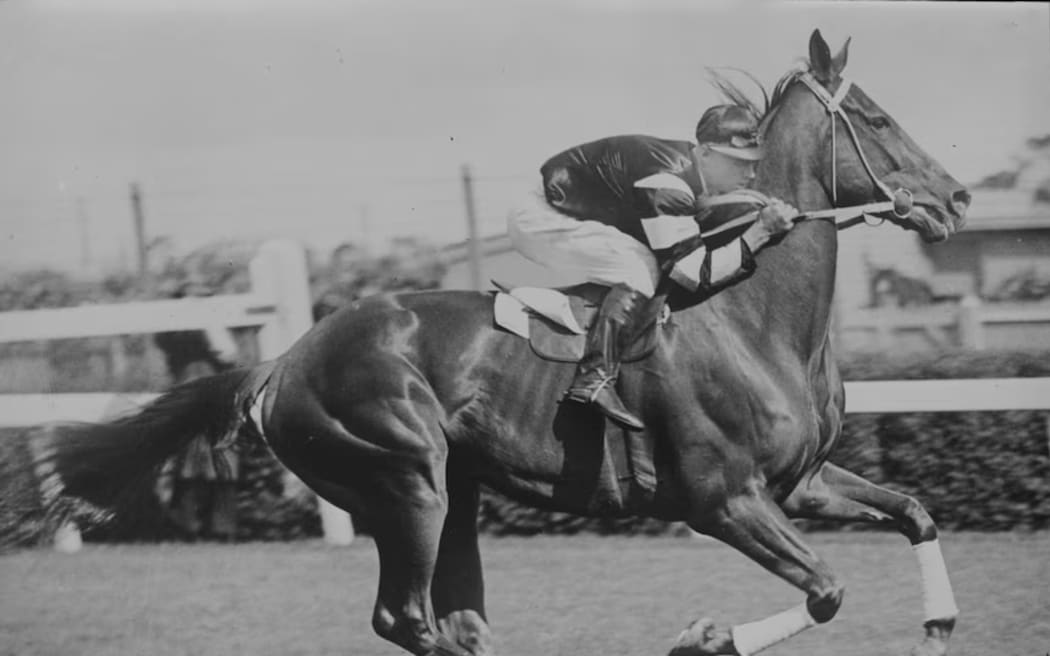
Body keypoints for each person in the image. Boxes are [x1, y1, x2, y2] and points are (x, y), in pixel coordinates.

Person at [507, 104, 798, 430]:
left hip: (569, 207)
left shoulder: (689, 172)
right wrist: (761, 233)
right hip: (540, 216)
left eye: (753, 163)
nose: (751, 174)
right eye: (738, 163)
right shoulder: (667, 184)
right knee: (640, 267)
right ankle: (594, 377)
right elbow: (694, 275)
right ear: (704, 153)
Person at [154, 277, 242, 541]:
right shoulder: (178, 328)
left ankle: (219, 527)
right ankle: (189, 525)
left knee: (221, 457)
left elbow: (229, 355)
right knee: (192, 459)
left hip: (217, 391)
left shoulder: (217, 324)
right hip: (193, 390)